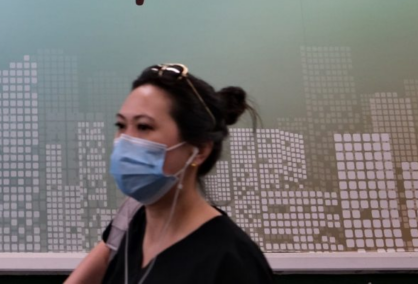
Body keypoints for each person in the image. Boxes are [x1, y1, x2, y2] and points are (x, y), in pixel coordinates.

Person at [66, 63, 273, 284]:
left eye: (144, 127)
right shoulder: (134, 224)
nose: (125, 141)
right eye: (121, 125)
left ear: (199, 149)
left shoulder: (232, 261)